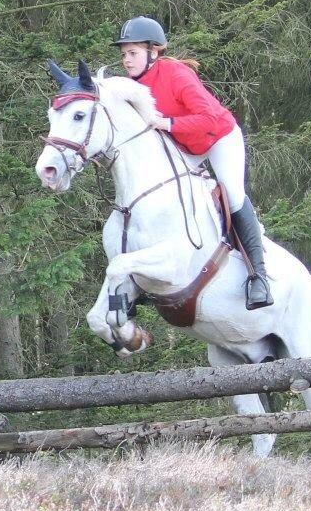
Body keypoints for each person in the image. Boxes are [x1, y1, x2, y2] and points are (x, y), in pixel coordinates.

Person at [112, 16, 272, 310]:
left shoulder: (175, 74)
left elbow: (209, 117)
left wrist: (167, 123)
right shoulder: (129, 86)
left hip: (218, 137)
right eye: (123, 54)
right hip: (185, 144)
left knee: (233, 194)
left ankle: (258, 278)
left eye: (132, 53)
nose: (126, 60)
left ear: (153, 52)